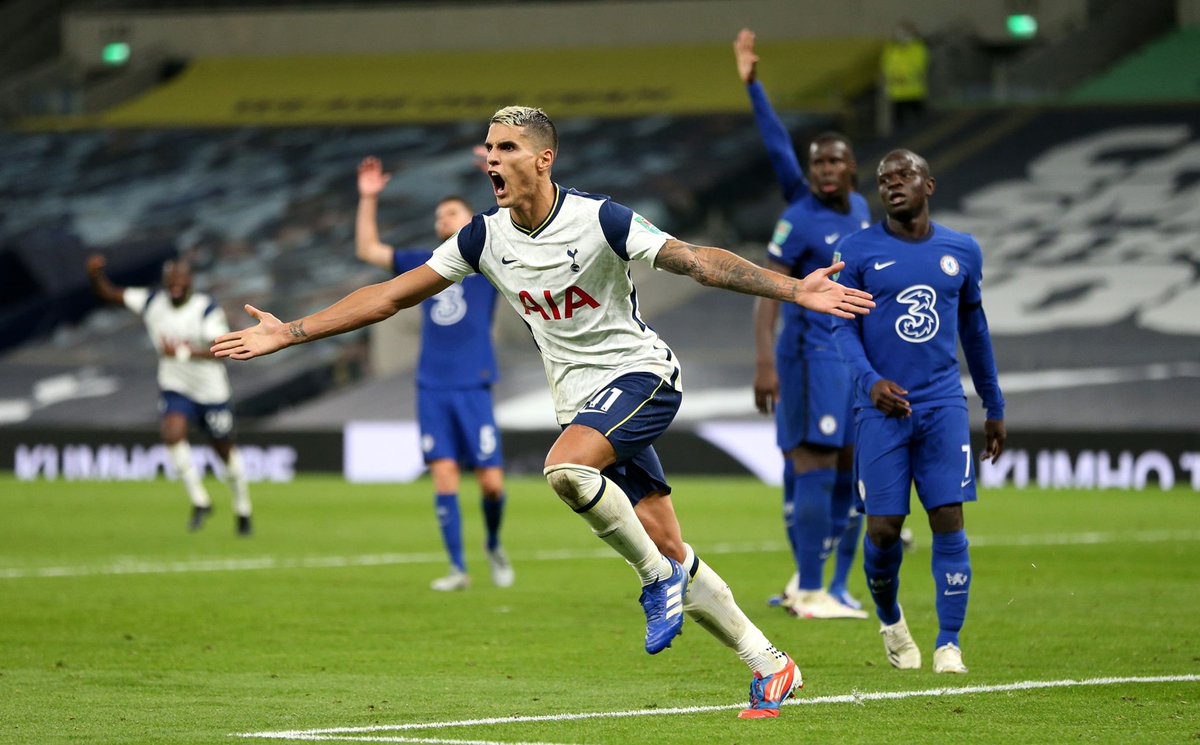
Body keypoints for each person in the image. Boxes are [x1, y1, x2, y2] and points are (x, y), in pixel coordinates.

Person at [213, 106, 873, 718]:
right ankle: (769, 662)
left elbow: (696, 260)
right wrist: (291, 331)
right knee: (671, 543)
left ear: (544, 158)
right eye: (488, 149)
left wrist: (793, 289)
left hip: (641, 377)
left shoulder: (600, 219)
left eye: (507, 148)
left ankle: (655, 579)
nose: (491, 160)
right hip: (582, 400)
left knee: (566, 472)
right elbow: (389, 296)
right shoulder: (483, 238)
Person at [832, 149, 1006, 674]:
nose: (892, 185)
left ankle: (949, 643)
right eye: (884, 179)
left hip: (942, 405)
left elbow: (974, 332)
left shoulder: (962, 250)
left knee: (948, 517)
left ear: (928, 184)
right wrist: (871, 382)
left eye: (904, 176)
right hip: (880, 409)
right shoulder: (857, 250)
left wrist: (993, 404)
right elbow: (841, 326)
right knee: (884, 529)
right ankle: (891, 621)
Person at [734, 27, 870, 620]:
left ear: (852, 167)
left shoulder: (862, 211)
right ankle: (813, 589)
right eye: (818, 162)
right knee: (811, 463)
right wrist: (765, 360)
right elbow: (769, 289)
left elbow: (787, 154)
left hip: (850, 360)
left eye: (835, 159)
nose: (824, 169)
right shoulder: (799, 216)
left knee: (846, 468)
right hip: (811, 356)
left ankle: (824, 586)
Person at [354, 156, 513, 591]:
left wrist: (496, 174)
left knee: (493, 486)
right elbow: (368, 250)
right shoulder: (421, 263)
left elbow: (513, 217)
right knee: (444, 478)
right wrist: (368, 198)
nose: (444, 217)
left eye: (454, 212)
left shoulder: (488, 262)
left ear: (470, 220)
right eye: (440, 214)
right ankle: (458, 569)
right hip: (432, 387)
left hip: (475, 384)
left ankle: (494, 545)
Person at [87, 254, 253, 536]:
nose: (175, 285)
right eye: (170, 280)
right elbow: (111, 294)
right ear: (165, 282)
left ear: (190, 281)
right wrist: (95, 276)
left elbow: (222, 351)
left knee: (224, 450)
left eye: (180, 280)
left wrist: (183, 353)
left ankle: (242, 507)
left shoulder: (206, 310)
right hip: (176, 387)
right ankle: (200, 501)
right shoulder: (153, 303)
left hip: (211, 392)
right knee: (172, 433)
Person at [879, 21, 930, 132]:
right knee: (899, 127)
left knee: (920, 124)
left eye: (906, 32)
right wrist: (888, 81)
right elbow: (886, 68)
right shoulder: (891, 50)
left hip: (914, 93)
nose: (902, 35)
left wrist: (904, 78)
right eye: (900, 32)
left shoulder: (918, 49)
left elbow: (920, 68)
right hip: (897, 94)